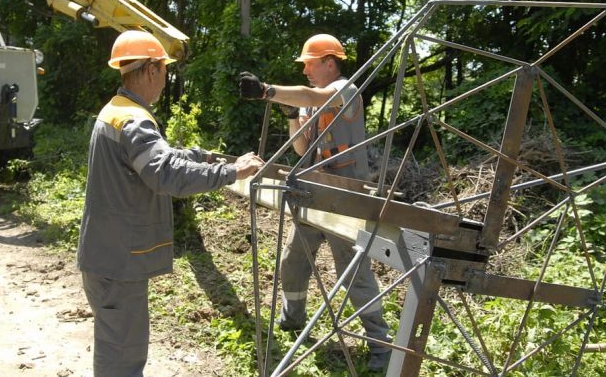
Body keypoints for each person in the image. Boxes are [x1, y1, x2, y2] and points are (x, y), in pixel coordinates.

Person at [78, 30, 263, 377]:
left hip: (108, 256)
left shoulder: (118, 111)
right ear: (151, 69)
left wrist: (203, 157)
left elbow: (155, 159)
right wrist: (231, 172)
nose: (165, 80)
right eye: (164, 70)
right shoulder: (135, 120)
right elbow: (166, 174)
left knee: (117, 349)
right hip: (119, 263)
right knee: (123, 359)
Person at [239, 33, 391, 371]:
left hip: (345, 195)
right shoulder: (310, 101)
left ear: (329, 62)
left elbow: (313, 94)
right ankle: (293, 319)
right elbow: (300, 148)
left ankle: (381, 343)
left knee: (352, 271)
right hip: (314, 190)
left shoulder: (345, 91)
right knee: (294, 260)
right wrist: (293, 114)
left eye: (310, 63)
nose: (306, 70)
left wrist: (267, 91)